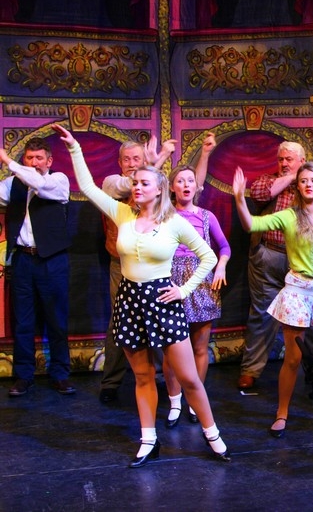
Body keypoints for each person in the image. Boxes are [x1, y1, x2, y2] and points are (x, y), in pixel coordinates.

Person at [55, 124, 230, 467]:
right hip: (129, 300)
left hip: (162, 301)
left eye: (143, 183)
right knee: (143, 376)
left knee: (188, 378)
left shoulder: (174, 222)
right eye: (135, 183)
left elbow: (208, 257)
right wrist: (74, 148)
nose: (136, 187)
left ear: (159, 189)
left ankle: (213, 435)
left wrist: (183, 289)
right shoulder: (123, 213)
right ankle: (148, 440)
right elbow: (88, 188)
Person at [233, 161, 313, 438]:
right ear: (297, 186)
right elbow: (252, 224)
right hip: (298, 292)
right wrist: (240, 199)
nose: (308, 185)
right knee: (293, 359)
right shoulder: (289, 216)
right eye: (303, 181)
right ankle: (282, 412)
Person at [236, 141, 313, 391]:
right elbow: (260, 194)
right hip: (270, 257)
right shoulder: (269, 180)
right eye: (281, 159)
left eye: (290, 159)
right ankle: (250, 370)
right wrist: (292, 176)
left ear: (302, 160)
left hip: (304, 263)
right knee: (262, 315)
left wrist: (305, 179)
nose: (284, 163)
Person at [98, 135, 177, 403]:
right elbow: (128, 185)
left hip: (153, 266)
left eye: (137, 159)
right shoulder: (112, 183)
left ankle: (159, 378)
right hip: (121, 265)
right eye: (127, 160)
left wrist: (155, 165)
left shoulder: (155, 185)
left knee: (156, 318)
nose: (132, 164)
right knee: (119, 321)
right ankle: (111, 381)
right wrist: (157, 161)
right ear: (120, 163)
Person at [163, 132, 232, 428]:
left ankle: (195, 398)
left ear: (196, 186)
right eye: (180, 181)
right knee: (171, 348)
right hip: (170, 280)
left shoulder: (206, 216)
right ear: (172, 187)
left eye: (190, 181)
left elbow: (224, 247)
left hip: (201, 280)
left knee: (200, 346)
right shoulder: (164, 216)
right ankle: (174, 401)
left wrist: (221, 267)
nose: (186, 185)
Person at [0, 138, 73, 397]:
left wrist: (8, 161)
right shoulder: (12, 184)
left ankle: (60, 374)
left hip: (52, 260)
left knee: (56, 319)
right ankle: (24, 376)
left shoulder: (58, 180)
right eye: (29, 158)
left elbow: (40, 185)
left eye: (39, 158)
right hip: (23, 260)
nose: (33, 163)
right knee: (23, 321)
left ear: (49, 160)